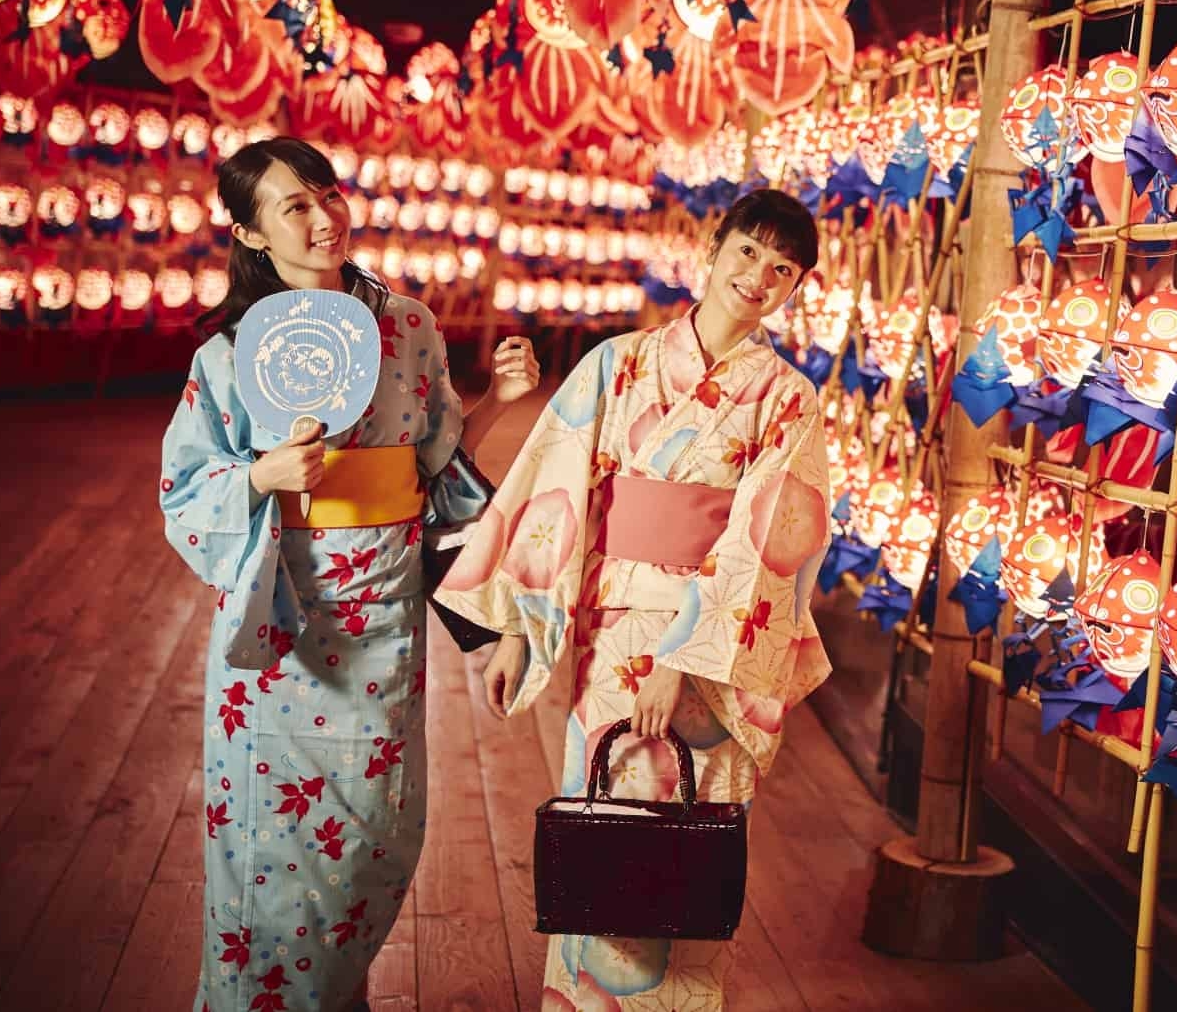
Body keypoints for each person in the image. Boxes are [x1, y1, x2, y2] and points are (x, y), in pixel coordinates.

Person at [158, 137, 540, 1012]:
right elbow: (184, 488)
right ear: (252, 234)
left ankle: (333, 996)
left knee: (368, 841)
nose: (323, 215)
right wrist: (261, 476)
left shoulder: (406, 326)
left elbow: (437, 471)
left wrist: (495, 406)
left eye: (327, 192)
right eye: (293, 204)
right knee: (269, 853)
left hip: (384, 621)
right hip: (283, 627)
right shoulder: (227, 355)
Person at [435, 188, 834, 1010]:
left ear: (795, 289)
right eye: (748, 252)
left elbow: (767, 545)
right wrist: (517, 630)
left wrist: (687, 663)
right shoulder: (618, 362)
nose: (758, 275)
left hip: (706, 653)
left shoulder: (789, 398)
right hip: (606, 634)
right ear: (712, 250)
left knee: (683, 840)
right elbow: (554, 488)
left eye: (782, 268)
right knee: (603, 832)